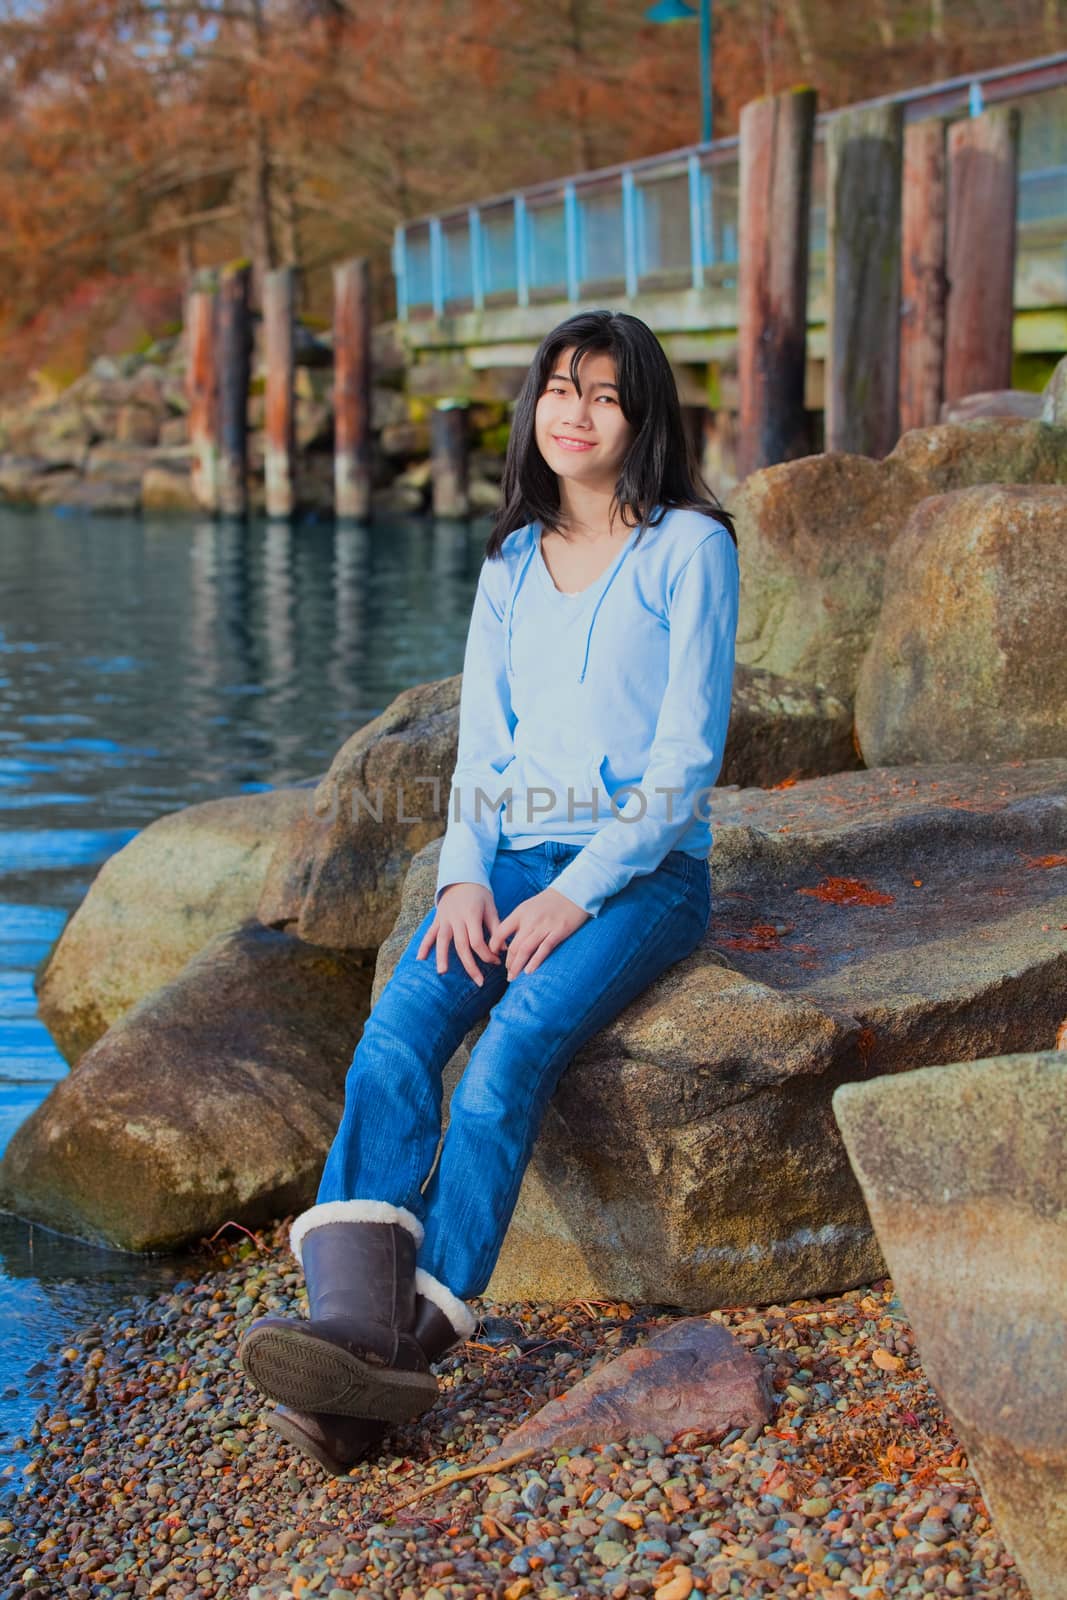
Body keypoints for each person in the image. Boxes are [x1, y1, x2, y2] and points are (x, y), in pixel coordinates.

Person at [237, 307, 740, 1476]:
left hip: (643, 874)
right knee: (395, 1038)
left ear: (640, 414)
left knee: (506, 1057)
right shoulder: (511, 558)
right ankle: (360, 1347)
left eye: (604, 395)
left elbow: (682, 766)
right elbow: (482, 750)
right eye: (559, 388)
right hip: (504, 855)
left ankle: (395, 1344)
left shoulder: (687, 547)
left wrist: (573, 895)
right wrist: (462, 875)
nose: (575, 412)